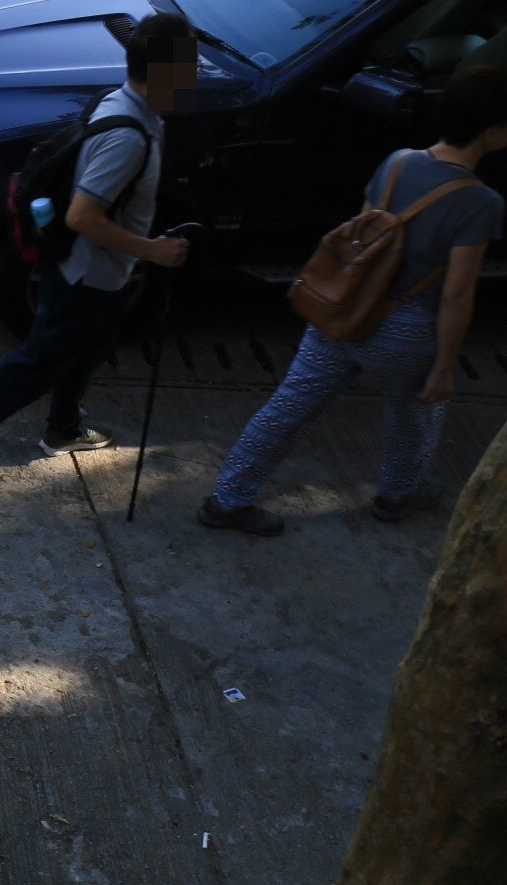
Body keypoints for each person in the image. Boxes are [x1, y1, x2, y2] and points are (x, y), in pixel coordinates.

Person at [198, 67, 507, 535]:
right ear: (491, 131)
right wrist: (444, 367)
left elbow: (361, 244)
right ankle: (397, 494)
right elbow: (457, 294)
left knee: (290, 405)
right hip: (405, 330)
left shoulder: (398, 161)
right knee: (415, 413)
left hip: (341, 312)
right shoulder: (480, 202)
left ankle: (228, 498)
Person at [0, 13, 195, 478]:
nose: (194, 71)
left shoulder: (126, 104)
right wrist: (152, 250)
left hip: (108, 273)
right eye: (188, 63)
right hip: (83, 274)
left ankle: (64, 428)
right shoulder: (126, 137)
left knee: (89, 347)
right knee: (42, 359)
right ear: (164, 72)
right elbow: (81, 216)